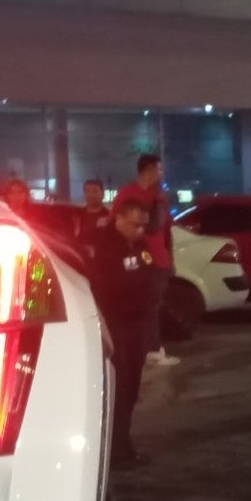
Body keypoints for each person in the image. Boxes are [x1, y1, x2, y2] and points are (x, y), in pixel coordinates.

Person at [85, 198, 162, 465]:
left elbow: (150, 273)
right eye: (134, 224)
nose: (140, 230)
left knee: (131, 390)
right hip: (116, 325)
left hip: (138, 325)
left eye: (143, 224)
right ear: (119, 219)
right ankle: (113, 450)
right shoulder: (105, 247)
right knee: (118, 388)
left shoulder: (140, 245)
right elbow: (105, 287)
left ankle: (123, 445)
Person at [115, 154, 179, 368]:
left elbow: (166, 229)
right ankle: (149, 349)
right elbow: (116, 226)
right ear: (149, 170)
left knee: (154, 306)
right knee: (144, 307)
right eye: (159, 170)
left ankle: (152, 348)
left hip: (159, 260)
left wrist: (170, 258)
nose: (161, 174)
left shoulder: (159, 196)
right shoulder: (128, 193)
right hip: (138, 260)